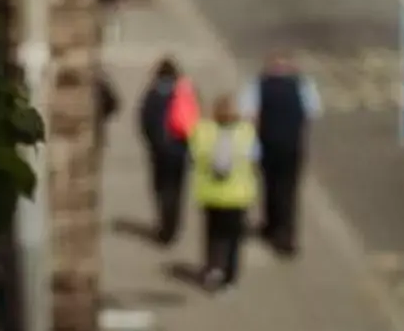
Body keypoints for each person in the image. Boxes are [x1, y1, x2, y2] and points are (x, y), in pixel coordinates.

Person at [239, 49, 323, 256]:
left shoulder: (258, 84)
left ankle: (272, 226)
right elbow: (313, 111)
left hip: (267, 142)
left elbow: (247, 113)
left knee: (270, 186)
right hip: (292, 144)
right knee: (288, 189)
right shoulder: (302, 85)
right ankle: (285, 235)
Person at [190, 92, 260, 289]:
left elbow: (194, 155)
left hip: (211, 195)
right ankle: (230, 273)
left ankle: (213, 268)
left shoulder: (203, 131)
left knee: (213, 235)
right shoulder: (246, 132)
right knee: (234, 238)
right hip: (237, 196)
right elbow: (255, 158)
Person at [136, 57, 194, 246]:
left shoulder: (152, 95)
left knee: (161, 188)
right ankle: (174, 226)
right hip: (180, 149)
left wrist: (152, 143)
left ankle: (164, 226)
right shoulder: (184, 93)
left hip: (160, 151)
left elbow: (144, 121)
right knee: (177, 189)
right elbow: (194, 121)